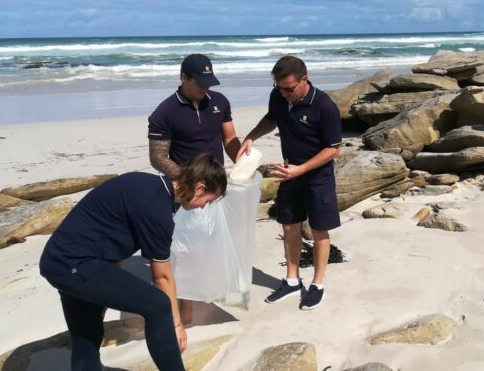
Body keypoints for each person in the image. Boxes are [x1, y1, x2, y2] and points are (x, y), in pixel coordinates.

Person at [39, 153, 227, 371]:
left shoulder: (147, 185)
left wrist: (100, 296)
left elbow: (112, 238)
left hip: (59, 259)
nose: (204, 207)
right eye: (208, 201)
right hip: (74, 263)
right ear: (200, 188)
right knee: (157, 305)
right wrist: (175, 325)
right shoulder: (158, 210)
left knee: (87, 337)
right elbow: (162, 278)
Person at [240, 55, 342, 310]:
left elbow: (333, 149)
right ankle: (292, 280)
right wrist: (251, 137)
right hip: (289, 172)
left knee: (319, 231)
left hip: (318, 176)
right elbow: (271, 118)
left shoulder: (324, 106)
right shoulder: (279, 96)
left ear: (303, 80)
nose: (283, 93)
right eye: (278, 88)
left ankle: (317, 285)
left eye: (288, 88)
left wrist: (302, 169)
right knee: (288, 227)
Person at [147, 53, 242, 323]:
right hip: (185, 191)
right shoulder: (165, 112)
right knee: (183, 250)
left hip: (215, 187)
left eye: (209, 82)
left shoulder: (219, 102)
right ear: (183, 78)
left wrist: (243, 161)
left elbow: (230, 138)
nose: (205, 88)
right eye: (200, 82)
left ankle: (208, 289)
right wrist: (188, 179)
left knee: (213, 240)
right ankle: (185, 303)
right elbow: (157, 158)